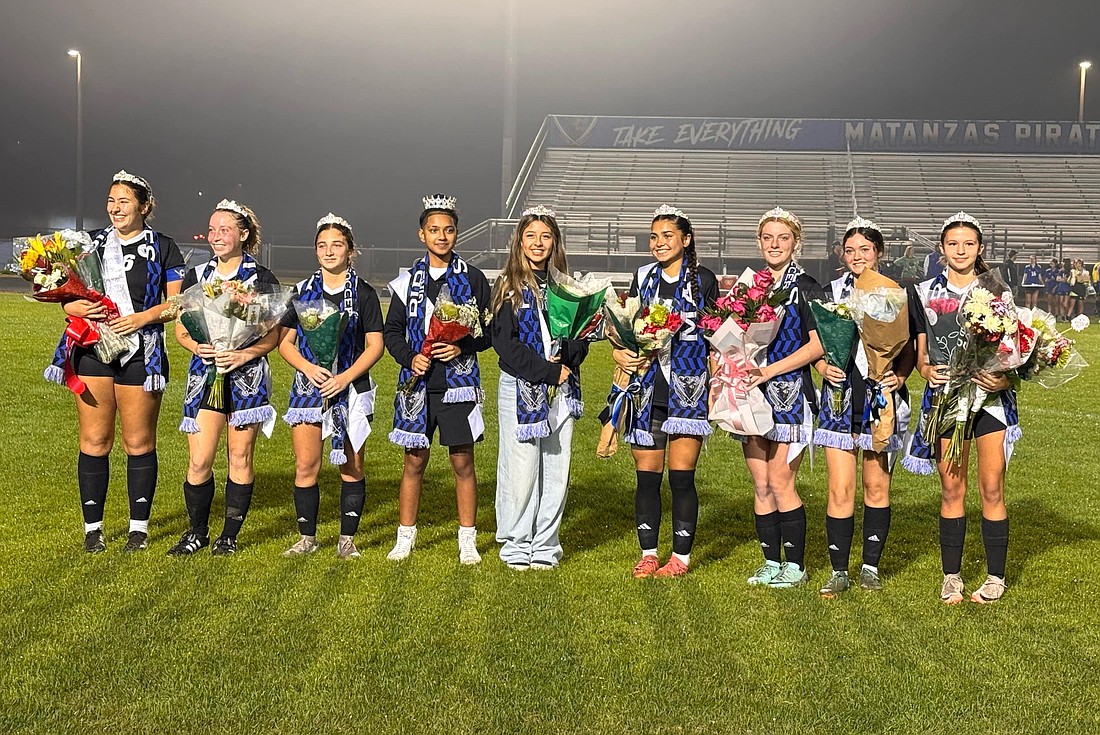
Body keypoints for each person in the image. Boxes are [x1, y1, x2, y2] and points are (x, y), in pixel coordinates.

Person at [47, 170, 185, 552]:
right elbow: (65, 296)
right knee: (94, 440)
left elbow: (176, 304)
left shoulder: (164, 246)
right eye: (111, 200)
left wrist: (140, 318)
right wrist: (78, 307)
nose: (115, 208)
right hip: (93, 350)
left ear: (144, 206)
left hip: (141, 351)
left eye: (124, 201)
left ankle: (138, 529)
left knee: (138, 441)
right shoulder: (88, 244)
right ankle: (93, 530)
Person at [904, 212, 1018, 604]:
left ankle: (995, 578)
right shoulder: (920, 292)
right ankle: (951, 576)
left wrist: (1004, 379)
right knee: (952, 489)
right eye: (953, 243)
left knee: (991, 488)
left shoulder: (997, 290)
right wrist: (924, 369)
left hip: (990, 401)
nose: (961, 250)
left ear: (980, 248)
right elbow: (920, 354)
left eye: (968, 243)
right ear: (941, 249)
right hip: (947, 400)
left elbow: (1014, 351)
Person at [168, 199, 283, 556]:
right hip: (205, 374)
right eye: (213, 229)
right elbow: (181, 329)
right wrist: (195, 347)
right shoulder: (198, 275)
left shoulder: (261, 278)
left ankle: (229, 537)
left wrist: (244, 353)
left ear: (243, 234)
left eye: (225, 230)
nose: (216, 236)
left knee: (240, 457)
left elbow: (274, 334)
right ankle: (197, 532)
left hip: (245, 374)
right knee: (199, 459)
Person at [384, 194, 492, 564]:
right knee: (414, 461)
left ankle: (467, 539)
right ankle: (405, 537)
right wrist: (409, 357)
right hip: (417, 386)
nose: (441, 236)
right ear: (421, 234)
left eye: (448, 230)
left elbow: (489, 333)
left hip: (458, 383)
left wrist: (462, 348)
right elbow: (392, 333)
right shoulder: (405, 282)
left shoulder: (474, 279)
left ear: (456, 234)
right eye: (434, 230)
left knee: (462, 461)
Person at [609, 205, 717, 578]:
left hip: (688, 387)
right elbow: (626, 326)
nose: (659, 243)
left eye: (667, 236)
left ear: (686, 240)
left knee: (681, 476)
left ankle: (681, 558)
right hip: (647, 387)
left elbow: (714, 333)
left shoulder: (703, 279)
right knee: (647, 475)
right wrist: (619, 348)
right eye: (654, 237)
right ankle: (649, 552)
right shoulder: (642, 277)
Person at [814, 217, 915, 596]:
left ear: (879, 253)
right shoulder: (830, 291)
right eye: (851, 250)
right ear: (842, 253)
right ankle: (839, 570)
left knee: (876, 485)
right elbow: (816, 343)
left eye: (865, 250)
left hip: (879, 398)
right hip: (839, 399)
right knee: (840, 489)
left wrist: (901, 377)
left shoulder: (895, 292)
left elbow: (910, 347)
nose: (857, 256)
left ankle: (870, 566)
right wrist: (823, 366)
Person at [278, 214, 384, 559]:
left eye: (337, 244)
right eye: (322, 245)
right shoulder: (303, 291)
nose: (329, 251)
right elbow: (284, 344)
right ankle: (307, 538)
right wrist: (309, 368)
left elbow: (375, 346)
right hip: (310, 388)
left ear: (350, 250)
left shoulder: (365, 293)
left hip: (351, 388)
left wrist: (344, 377)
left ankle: (346, 540)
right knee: (307, 465)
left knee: (352, 467)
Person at [490, 205, 589, 570]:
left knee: (556, 468)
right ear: (519, 241)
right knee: (521, 468)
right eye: (531, 236)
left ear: (555, 242)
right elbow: (504, 343)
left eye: (545, 236)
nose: (538, 243)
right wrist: (547, 372)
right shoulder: (507, 285)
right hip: (520, 386)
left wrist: (567, 360)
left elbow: (582, 338)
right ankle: (516, 544)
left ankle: (546, 545)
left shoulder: (568, 285)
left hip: (563, 388)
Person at [737, 207, 825, 588]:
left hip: (790, 394)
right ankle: (771, 562)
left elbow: (818, 346)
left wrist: (770, 370)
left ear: (795, 243)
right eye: (768, 238)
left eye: (783, 238)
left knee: (781, 482)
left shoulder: (807, 286)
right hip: (749, 395)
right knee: (760, 484)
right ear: (759, 242)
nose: (775, 245)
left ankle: (796, 565)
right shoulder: (747, 287)